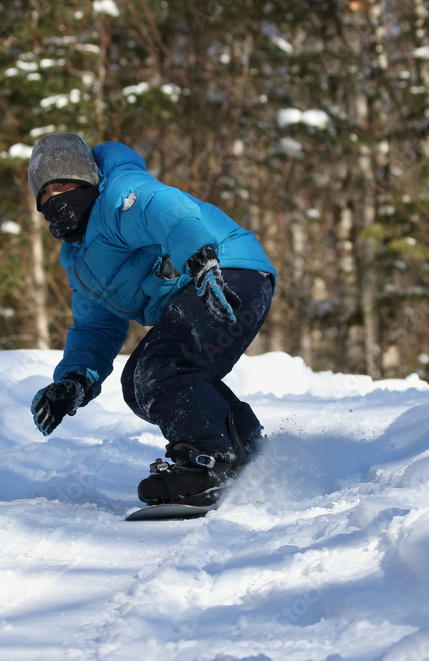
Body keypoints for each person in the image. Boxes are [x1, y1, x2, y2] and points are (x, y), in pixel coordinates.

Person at [27, 133, 276, 507]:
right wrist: (74, 380)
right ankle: (248, 450)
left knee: (163, 367)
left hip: (225, 272)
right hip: (198, 286)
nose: (54, 199)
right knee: (140, 381)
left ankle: (207, 464)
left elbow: (167, 211)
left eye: (64, 185)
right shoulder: (77, 262)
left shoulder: (120, 195)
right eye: (45, 193)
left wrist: (199, 259)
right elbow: (97, 327)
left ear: (89, 180)